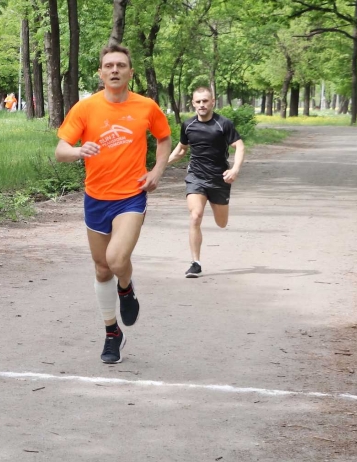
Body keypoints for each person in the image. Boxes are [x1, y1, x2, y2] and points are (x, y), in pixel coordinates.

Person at [55, 44, 172, 364]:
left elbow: (163, 137)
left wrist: (157, 171)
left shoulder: (146, 106)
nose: (115, 70)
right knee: (101, 267)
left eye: (121, 65)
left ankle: (126, 287)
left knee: (117, 259)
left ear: (130, 72)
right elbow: (61, 150)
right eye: (109, 65)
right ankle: (112, 333)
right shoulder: (85, 108)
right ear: (101, 73)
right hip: (96, 198)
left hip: (131, 195)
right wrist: (78, 151)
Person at [167, 87, 245, 278]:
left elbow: (239, 146)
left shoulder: (223, 124)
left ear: (212, 102)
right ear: (193, 103)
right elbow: (181, 150)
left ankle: (218, 206)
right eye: (198, 101)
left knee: (221, 223)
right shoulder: (188, 125)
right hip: (196, 176)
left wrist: (235, 169)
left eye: (205, 101)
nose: (201, 105)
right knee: (195, 216)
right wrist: (158, 166)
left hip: (219, 179)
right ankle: (196, 263)